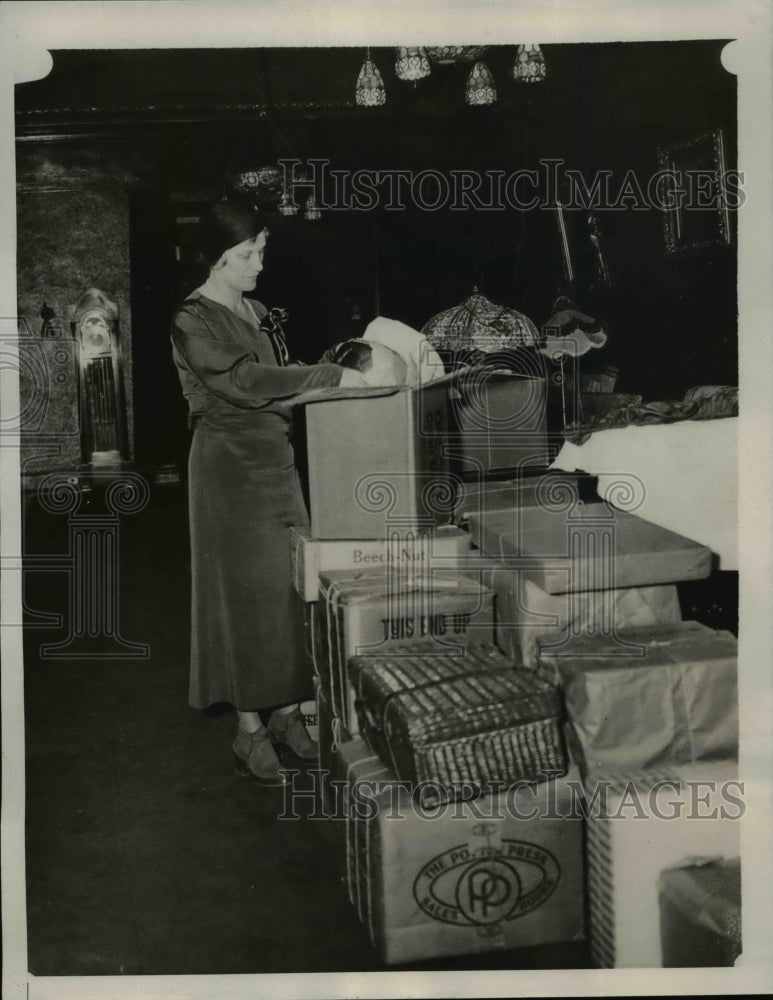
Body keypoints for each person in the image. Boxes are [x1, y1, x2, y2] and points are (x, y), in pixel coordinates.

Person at [171, 199, 365, 787]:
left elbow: (278, 392)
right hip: (227, 467)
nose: (260, 261)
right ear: (219, 257)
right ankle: (249, 730)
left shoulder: (256, 309)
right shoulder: (191, 319)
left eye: (261, 249)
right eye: (249, 253)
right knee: (242, 597)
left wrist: (339, 387)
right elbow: (244, 382)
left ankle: (285, 717)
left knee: (288, 590)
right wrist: (328, 376)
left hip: (276, 460)